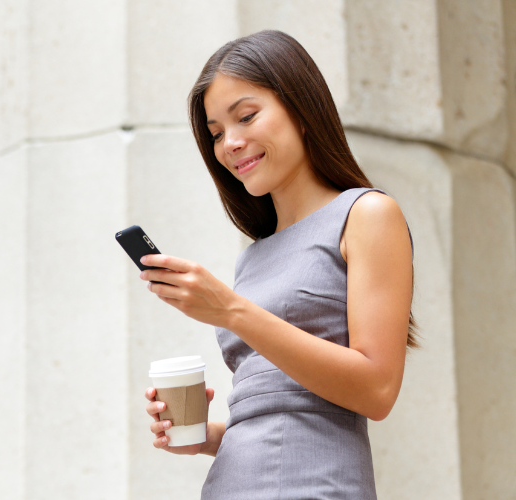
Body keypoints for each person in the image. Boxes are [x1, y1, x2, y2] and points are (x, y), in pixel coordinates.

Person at [140, 30, 417, 499]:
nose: (230, 142)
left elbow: (376, 389)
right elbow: (284, 411)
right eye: (216, 133)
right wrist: (204, 436)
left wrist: (231, 310)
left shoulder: (366, 214)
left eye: (246, 117)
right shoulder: (254, 256)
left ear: (302, 108)